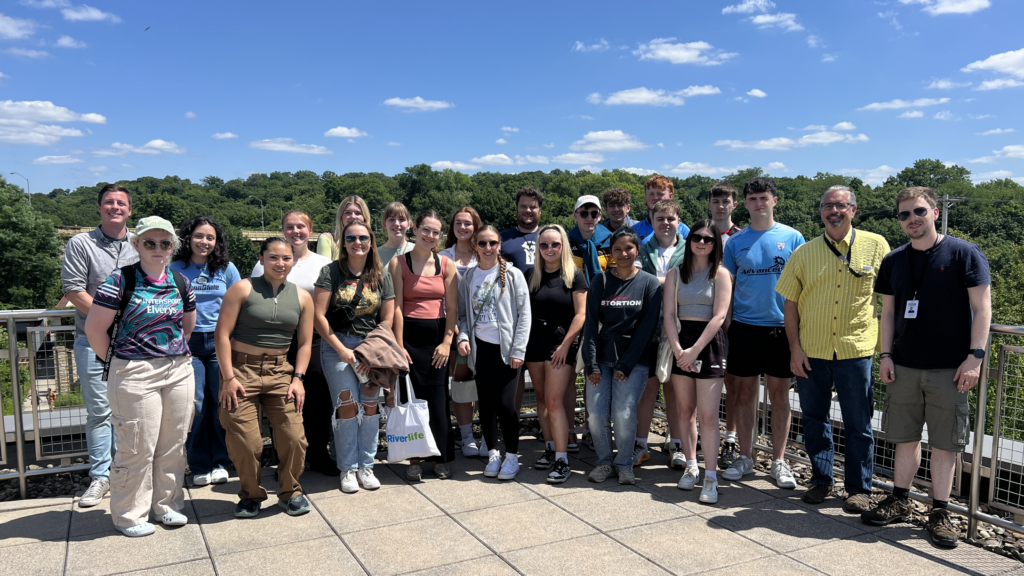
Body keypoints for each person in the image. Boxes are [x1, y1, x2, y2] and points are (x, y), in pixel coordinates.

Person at [861, 186, 989, 548]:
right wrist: (884, 356)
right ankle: (900, 500)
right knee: (904, 438)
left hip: (950, 368)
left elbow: (983, 309)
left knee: (946, 444)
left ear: (934, 212)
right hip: (903, 365)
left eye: (918, 211)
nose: (911, 219)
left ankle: (940, 511)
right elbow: (887, 312)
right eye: (903, 215)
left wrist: (974, 357)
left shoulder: (963, 253)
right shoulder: (894, 260)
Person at [776, 185, 891, 514]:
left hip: (856, 349)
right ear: (821, 212)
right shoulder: (804, 253)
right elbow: (790, 305)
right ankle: (821, 480)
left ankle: (858, 488)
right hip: (812, 350)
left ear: (854, 209)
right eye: (827, 206)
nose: (834, 211)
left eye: (841, 205)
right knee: (814, 418)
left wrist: (887, 349)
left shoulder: (875, 245)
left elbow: (891, 297)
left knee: (859, 423)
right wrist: (794, 349)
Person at [83, 216, 196, 537]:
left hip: (177, 370)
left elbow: (186, 327)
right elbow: (95, 329)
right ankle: (129, 514)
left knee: (173, 443)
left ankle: (166, 505)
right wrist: (122, 363)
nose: (158, 249)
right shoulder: (121, 280)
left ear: (173, 246)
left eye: (164, 243)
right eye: (150, 242)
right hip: (133, 371)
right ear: (137, 245)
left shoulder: (179, 282)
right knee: (136, 445)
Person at [216, 237, 314, 518]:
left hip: (281, 371)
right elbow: (222, 334)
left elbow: (305, 343)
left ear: (293, 261)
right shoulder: (242, 289)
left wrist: (298, 378)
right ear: (261, 259)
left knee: (294, 437)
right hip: (240, 371)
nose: (280, 263)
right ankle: (251, 495)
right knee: (246, 441)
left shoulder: (302, 297)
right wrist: (228, 377)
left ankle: (290, 492)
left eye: (286, 258)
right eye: (273, 257)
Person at [721, 177, 805, 489]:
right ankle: (745, 456)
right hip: (745, 328)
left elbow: (802, 288)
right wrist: (730, 325)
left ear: (775, 201)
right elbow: (727, 288)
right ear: (744, 203)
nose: (759, 203)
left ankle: (779, 461)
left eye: (764, 198)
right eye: (753, 198)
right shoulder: (735, 242)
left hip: (782, 329)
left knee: (780, 396)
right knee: (744, 395)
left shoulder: (793, 237)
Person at [62, 183, 139, 508]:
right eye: (109, 202)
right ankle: (100, 476)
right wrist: (107, 320)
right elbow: (74, 290)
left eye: (121, 203)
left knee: (134, 409)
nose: (115, 207)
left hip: (134, 341)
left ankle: (129, 471)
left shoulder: (140, 243)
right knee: (99, 411)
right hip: (91, 339)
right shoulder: (81, 243)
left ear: (129, 209)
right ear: (99, 207)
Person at [315, 221, 396, 493]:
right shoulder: (330, 272)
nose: (357, 242)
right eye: (351, 237)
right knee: (346, 405)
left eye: (363, 237)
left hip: (370, 348)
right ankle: (347, 468)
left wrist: (368, 350)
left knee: (370, 405)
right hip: (336, 345)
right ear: (344, 242)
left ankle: (367, 465)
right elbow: (318, 316)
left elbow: (387, 318)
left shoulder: (380, 274)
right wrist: (340, 348)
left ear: (371, 241)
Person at [252, 211, 335, 476]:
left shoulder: (324, 264)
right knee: (281, 403)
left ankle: (319, 455)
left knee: (319, 401)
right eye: (290, 227)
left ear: (310, 230)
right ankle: (285, 462)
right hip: (277, 342)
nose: (295, 231)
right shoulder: (264, 264)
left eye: (301, 226)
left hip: (315, 340)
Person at [582, 228, 662, 485]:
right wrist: (592, 363)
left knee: (624, 414)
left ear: (637, 250)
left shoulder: (649, 283)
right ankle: (605, 462)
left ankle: (625, 463)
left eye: (628, 248)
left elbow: (647, 329)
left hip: (634, 361)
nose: (623, 253)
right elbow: (591, 325)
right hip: (601, 360)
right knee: (595, 413)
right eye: (617, 249)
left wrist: (627, 364)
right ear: (611, 253)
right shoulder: (600, 281)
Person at [663, 220, 732, 504]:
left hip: (708, 343)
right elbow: (668, 314)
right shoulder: (675, 274)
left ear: (715, 244)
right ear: (689, 240)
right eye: (697, 237)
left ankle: (711, 477)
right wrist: (680, 349)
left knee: (708, 417)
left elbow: (719, 317)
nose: (701, 242)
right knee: (684, 411)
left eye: (708, 239)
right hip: (681, 342)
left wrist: (694, 350)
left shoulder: (722, 275)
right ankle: (691, 465)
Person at [170, 216, 241, 487]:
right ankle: (199, 464)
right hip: (188, 344)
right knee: (196, 406)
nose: (205, 242)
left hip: (220, 343)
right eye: (199, 236)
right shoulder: (175, 268)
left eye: (210, 237)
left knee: (222, 403)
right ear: (188, 238)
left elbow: (240, 302)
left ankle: (221, 462)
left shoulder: (226, 269)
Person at [457, 226, 531, 481]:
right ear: (474, 246)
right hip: (481, 350)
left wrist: (519, 349)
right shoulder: (468, 277)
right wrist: (463, 337)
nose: (487, 248)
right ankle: (493, 454)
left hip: (507, 350)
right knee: (486, 407)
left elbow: (524, 315)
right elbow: (464, 315)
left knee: (507, 405)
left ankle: (512, 456)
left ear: (499, 244)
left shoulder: (512, 275)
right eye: (482, 243)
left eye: (492, 243)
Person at [390, 209, 458, 480]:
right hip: (409, 338)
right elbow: (395, 306)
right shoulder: (398, 264)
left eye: (436, 231)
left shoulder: (445, 264)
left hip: (438, 337)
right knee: (411, 399)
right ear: (415, 229)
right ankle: (414, 459)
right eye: (425, 229)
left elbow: (452, 308)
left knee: (438, 400)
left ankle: (440, 457)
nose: (430, 235)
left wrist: (446, 343)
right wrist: (398, 345)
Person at [525, 224, 587, 483]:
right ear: (538, 248)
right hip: (534, 344)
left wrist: (565, 346)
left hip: (560, 345)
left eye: (555, 244)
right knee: (540, 400)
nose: (549, 249)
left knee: (553, 401)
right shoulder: (530, 275)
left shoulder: (575, 275)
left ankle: (562, 459)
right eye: (544, 245)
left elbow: (582, 314)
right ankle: (550, 448)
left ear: (563, 246)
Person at [635, 200, 689, 470]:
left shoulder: (690, 249)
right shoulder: (642, 248)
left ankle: (676, 443)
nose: (665, 223)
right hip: (647, 328)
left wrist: (655, 281)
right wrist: (670, 282)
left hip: (679, 330)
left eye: (671, 218)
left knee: (675, 391)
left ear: (679, 221)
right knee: (648, 389)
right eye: (660, 218)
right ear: (652, 220)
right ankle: (641, 444)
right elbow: (634, 281)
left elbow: (692, 283)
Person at [440, 207, 485, 456]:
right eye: (459, 223)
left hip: (485, 328)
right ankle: (467, 435)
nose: (463, 228)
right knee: (461, 380)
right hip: (454, 327)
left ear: (475, 226)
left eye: (468, 223)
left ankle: (487, 433)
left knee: (486, 383)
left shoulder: (486, 253)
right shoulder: (443, 257)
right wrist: (451, 326)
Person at [708, 181, 743, 469]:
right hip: (700, 319)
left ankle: (730, 439)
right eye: (716, 201)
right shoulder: (701, 235)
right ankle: (698, 437)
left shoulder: (741, 237)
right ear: (710, 204)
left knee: (731, 383)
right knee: (700, 383)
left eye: (726, 201)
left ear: (734, 204)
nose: (721, 205)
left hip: (731, 321)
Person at [632, 175, 690, 243]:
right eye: (651, 194)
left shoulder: (683, 230)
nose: (655, 197)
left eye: (660, 194)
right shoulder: (635, 230)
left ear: (670, 196)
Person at [568, 195, 613, 282]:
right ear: (575, 216)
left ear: (599, 216)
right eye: (584, 214)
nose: (589, 218)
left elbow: (614, 274)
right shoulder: (566, 242)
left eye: (594, 214)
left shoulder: (610, 241)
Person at [500, 186, 543, 272]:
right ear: (517, 209)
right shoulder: (500, 239)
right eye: (523, 206)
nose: (528, 210)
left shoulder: (550, 238)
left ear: (540, 211)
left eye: (532, 207)